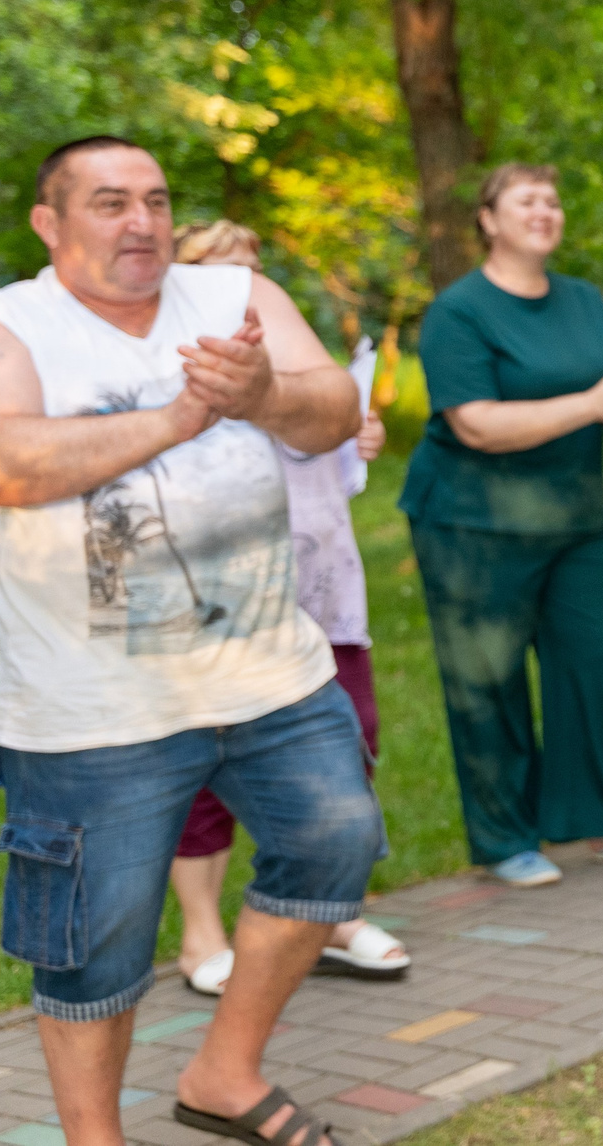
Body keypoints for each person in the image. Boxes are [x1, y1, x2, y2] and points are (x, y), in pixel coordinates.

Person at [0, 136, 383, 1146]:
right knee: (93, 946)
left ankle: (225, 1073)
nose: (141, 220)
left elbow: (331, 410)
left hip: (272, 676)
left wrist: (262, 396)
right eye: (108, 202)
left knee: (334, 843)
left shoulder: (233, 295)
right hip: (94, 708)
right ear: (49, 223)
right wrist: (181, 417)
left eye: (155, 199)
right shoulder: (0, 322)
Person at [399, 162, 603, 886]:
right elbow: (475, 423)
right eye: (526, 199)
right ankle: (504, 840)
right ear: (488, 219)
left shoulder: (583, 300)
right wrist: (592, 404)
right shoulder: (459, 312)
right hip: (471, 527)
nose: (544, 210)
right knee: (488, 681)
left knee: (599, 659)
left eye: (553, 200)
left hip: (574, 517)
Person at [166, 220, 406, 995]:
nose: (247, 290)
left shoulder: (303, 368)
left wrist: (355, 436)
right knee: (210, 760)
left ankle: (332, 915)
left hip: (326, 598)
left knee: (348, 742)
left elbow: (334, 472)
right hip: (228, 606)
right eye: (221, 274)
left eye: (253, 272)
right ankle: (201, 935)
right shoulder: (176, 373)